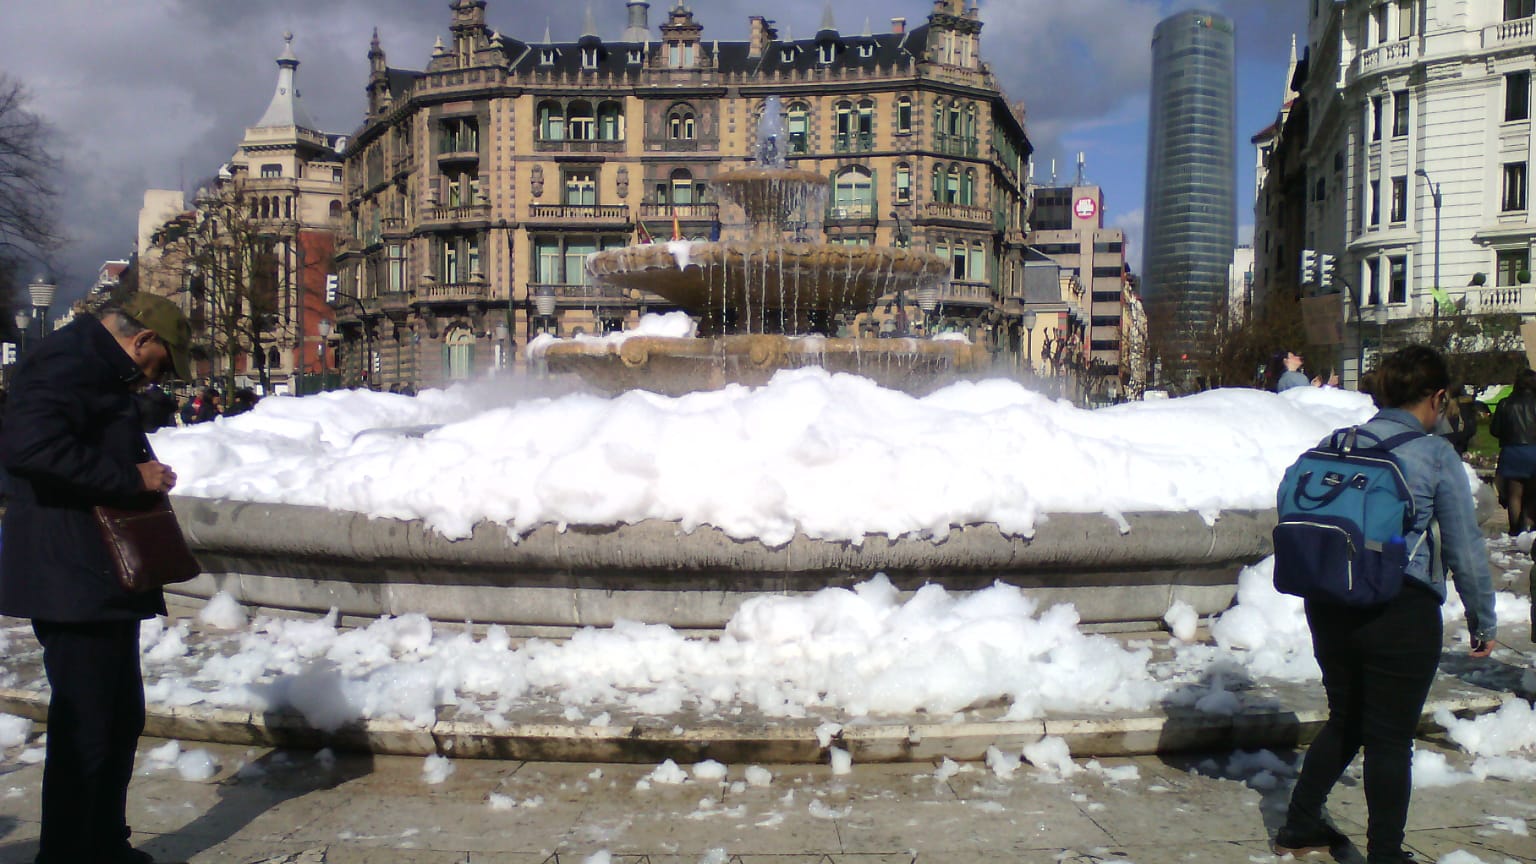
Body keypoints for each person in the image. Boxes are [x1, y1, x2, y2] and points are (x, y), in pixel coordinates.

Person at [1273, 345, 1497, 864]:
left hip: (1329, 601)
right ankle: (1386, 855)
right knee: (1391, 739)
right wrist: (1482, 619)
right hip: (1400, 609)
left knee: (1346, 718)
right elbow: (1464, 547)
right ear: (1438, 398)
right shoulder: (1436, 456)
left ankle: (1301, 820)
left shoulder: (1339, 441)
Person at [0, 292, 191, 864]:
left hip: (94, 571)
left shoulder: (91, 363)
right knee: (86, 721)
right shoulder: (68, 361)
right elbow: (30, 449)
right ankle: (67, 853)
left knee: (116, 715)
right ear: (141, 341)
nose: (155, 376)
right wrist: (130, 477)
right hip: (71, 570)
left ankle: (103, 842)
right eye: (160, 362)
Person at [1490, 368, 1536, 534]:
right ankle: (1529, 524)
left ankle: (1516, 530)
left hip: (1512, 452)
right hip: (1534, 451)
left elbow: (1494, 430)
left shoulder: (1504, 403)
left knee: (1514, 495)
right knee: (1532, 495)